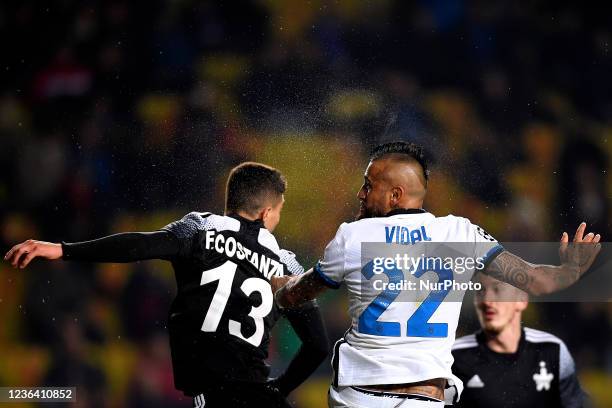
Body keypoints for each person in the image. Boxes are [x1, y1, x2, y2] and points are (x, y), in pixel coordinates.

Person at [274, 141, 601, 408]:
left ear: (395, 195)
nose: (361, 194)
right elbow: (538, 281)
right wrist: (569, 270)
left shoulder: (352, 235)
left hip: (359, 396)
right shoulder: (458, 232)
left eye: (368, 185)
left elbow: (296, 295)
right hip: (424, 398)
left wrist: (277, 282)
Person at [5, 162, 329, 408]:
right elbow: (317, 345)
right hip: (260, 395)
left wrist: (64, 249)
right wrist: (279, 389)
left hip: (214, 395)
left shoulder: (201, 227)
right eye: (279, 212)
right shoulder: (287, 263)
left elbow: (140, 246)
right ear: (267, 211)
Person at [452, 273, 585, 408]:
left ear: (521, 300)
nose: (486, 301)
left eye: (497, 290)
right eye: (480, 291)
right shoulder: (454, 357)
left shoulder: (553, 350)